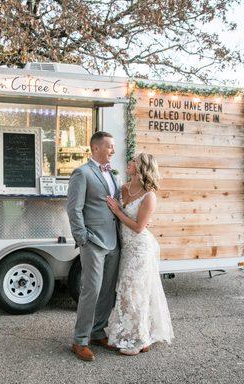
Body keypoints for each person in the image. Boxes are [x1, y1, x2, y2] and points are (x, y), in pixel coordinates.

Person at [105, 153, 174, 356]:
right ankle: (128, 334)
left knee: (134, 293)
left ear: (142, 167)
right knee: (125, 292)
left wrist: (118, 212)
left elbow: (138, 227)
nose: (129, 163)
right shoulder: (123, 188)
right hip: (125, 248)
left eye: (134, 161)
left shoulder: (149, 195)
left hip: (140, 249)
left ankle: (137, 339)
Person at [66, 131, 121, 362]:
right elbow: (73, 208)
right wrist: (83, 238)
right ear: (96, 148)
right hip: (93, 242)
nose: (113, 151)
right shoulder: (82, 173)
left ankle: (98, 332)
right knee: (91, 291)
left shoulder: (112, 174)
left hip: (114, 241)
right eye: (110, 146)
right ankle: (80, 340)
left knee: (108, 291)